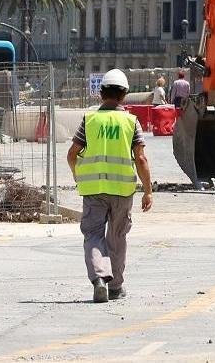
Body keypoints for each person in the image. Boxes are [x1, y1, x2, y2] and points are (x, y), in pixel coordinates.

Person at [67, 69, 154, 304]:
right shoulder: (130, 121)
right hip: (123, 191)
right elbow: (141, 159)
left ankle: (99, 280)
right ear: (124, 95)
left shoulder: (90, 120)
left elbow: (72, 154)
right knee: (117, 237)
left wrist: (79, 176)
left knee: (93, 235)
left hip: (93, 190)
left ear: (101, 93)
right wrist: (148, 190)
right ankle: (115, 287)